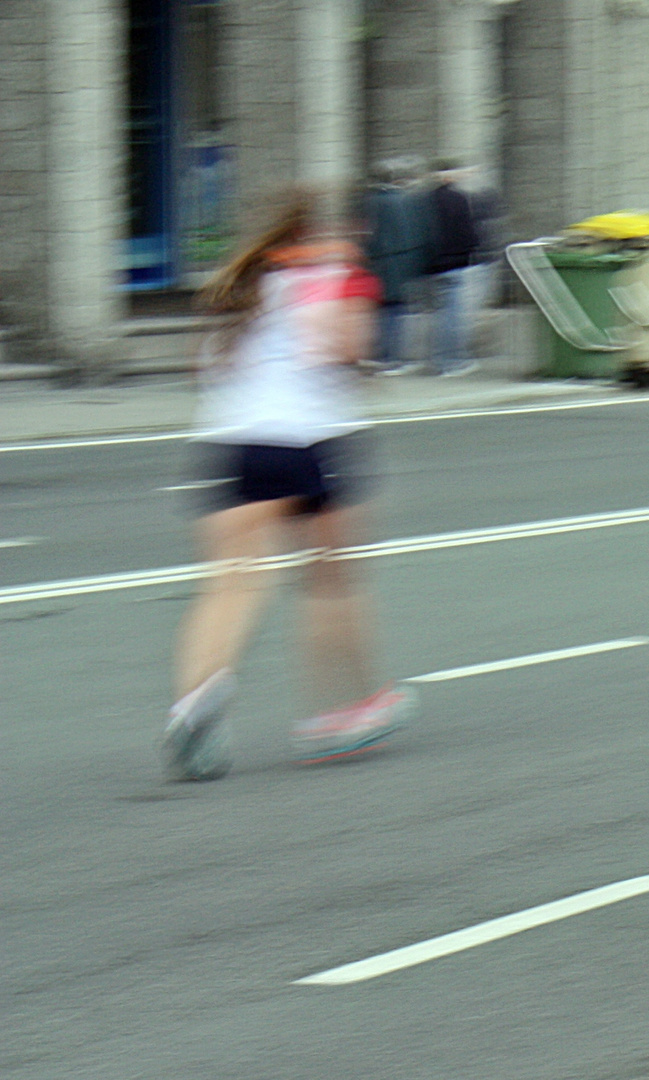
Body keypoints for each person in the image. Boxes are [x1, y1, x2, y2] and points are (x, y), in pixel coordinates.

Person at [164, 190, 411, 782]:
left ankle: (192, 704)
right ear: (333, 230)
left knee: (228, 585)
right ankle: (346, 707)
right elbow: (343, 350)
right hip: (307, 440)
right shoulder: (339, 274)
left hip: (232, 442)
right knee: (331, 581)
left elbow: (215, 367)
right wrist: (364, 365)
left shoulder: (252, 281)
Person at [362, 156, 429, 374]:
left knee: (381, 312)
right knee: (396, 313)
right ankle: (392, 358)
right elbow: (411, 236)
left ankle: (379, 355)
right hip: (399, 264)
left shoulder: (370, 201)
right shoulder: (403, 201)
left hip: (378, 264)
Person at [424, 160, 484, 377]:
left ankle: (439, 360)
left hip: (433, 266)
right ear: (450, 176)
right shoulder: (458, 198)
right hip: (455, 264)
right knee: (452, 317)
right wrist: (472, 254)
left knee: (440, 315)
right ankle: (449, 363)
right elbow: (468, 232)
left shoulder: (426, 199)